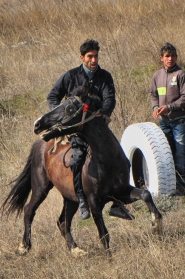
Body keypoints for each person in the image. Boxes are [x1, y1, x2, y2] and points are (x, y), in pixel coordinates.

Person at [47, 39, 133, 219]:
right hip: (78, 129)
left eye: (96, 56)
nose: (94, 60)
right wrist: (63, 115)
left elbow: (110, 99)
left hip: (100, 129)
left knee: (123, 159)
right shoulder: (70, 76)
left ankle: (118, 204)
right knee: (77, 160)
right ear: (82, 57)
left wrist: (104, 113)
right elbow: (53, 97)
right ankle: (82, 200)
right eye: (90, 56)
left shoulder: (105, 76)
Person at [150, 42, 185, 196]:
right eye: (167, 56)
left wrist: (169, 107)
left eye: (173, 56)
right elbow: (154, 95)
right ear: (161, 58)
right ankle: (171, 184)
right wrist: (156, 108)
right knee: (167, 152)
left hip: (179, 120)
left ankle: (183, 185)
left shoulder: (181, 75)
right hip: (164, 122)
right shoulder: (157, 76)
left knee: (180, 151)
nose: (170, 59)